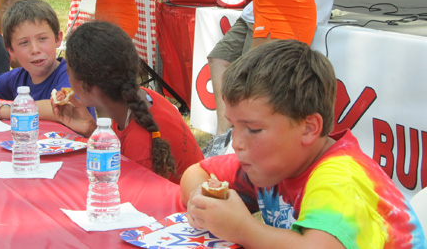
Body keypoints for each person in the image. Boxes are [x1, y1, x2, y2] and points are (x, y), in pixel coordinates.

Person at [182, 40, 426, 248]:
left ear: (309, 128)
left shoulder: (340, 178)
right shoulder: (274, 161)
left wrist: (242, 229)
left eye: (254, 129)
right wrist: (199, 199)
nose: (236, 144)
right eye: (233, 126)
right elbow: (197, 172)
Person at [206, 0, 340, 154]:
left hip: (283, 9)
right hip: (263, 7)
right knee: (227, 64)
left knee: (256, 88)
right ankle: (226, 139)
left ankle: (242, 148)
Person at [53, 21, 203, 183]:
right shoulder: (142, 98)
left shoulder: (141, 151)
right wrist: (92, 130)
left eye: (69, 72)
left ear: (87, 85)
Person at [0, 0, 95, 120]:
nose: (35, 49)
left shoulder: (71, 75)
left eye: (42, 39)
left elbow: (59, 108)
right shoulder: (18, 77)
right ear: (11, 50)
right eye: (24, 43)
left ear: (58, 39)